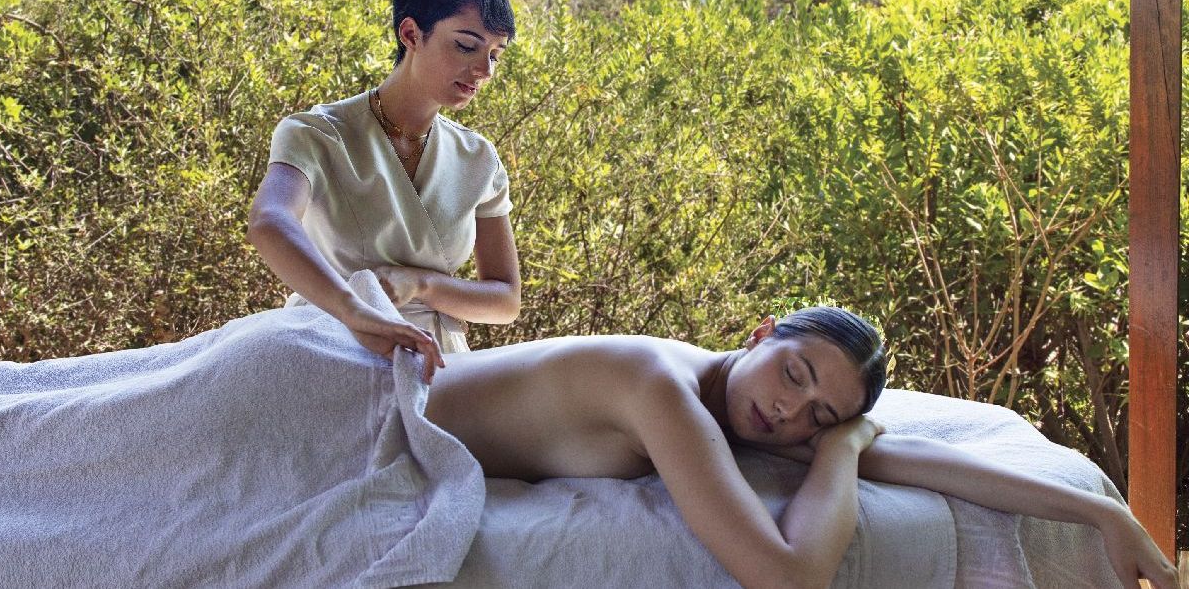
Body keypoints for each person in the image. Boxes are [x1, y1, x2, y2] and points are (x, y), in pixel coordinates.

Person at [423, 306, 1180, 589]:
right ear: (761, 333)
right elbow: (787, 578)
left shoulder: (740, 407)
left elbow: (912, 459)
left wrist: (1102, 513)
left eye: (817, 415)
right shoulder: (659, 386)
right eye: (793, 373)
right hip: (382, 420)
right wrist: (841, 447)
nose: (788, 411)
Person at [246, 0, 521, 375]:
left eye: (495, 55)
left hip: (437, 363)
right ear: (411, 34)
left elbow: (506, 300)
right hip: (328, 345)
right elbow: (269, 221)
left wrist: (420, 284)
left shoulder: (478, 159)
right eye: (467, 46)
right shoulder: (317, 134)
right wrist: (354, 310)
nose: (484, 71)